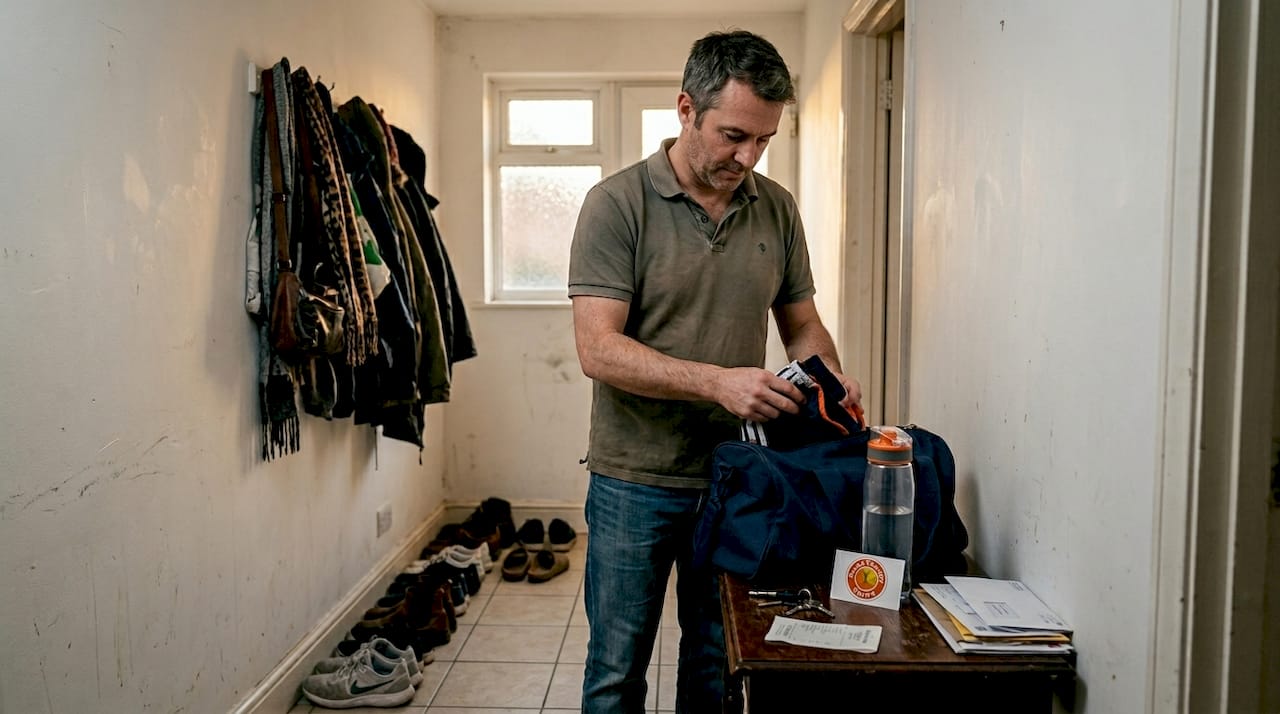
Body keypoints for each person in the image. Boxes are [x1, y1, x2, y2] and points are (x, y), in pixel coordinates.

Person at [568, 29, 862, 714]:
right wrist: (719, 381)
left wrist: (830, 375)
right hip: (635, 481)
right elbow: (598, 350)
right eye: (734, 135)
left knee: (713, 659)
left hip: (741, 479)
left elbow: (802, 323)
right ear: (685, 109)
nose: (748, 156)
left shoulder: (776, 206)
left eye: (764, 140)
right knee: (616, 669)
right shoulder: (616, 206)